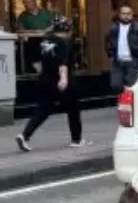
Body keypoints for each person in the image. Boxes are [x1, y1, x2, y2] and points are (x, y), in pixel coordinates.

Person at [15, 16, 87, 152]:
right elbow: (63, 64)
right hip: (60, 81)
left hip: (44, 80)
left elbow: (35, 61)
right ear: (68, 29)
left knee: (43, 109)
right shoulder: (64, 43)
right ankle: (76, 139)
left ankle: (24, 135)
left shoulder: (44, 42)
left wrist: (44, 72)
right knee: (73, 109)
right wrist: (63, 79)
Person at [105, 4, 138, 92]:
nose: (126, 16)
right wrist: (110, 54)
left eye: (128, 13)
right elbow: (108, 42)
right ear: (119, 15)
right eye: (124, 13)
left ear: (132, 14)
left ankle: (128, 102)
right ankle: (125, 96)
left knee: (131, 86)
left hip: (133, 62)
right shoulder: (113, 28)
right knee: (115, 85)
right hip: (118, 62)